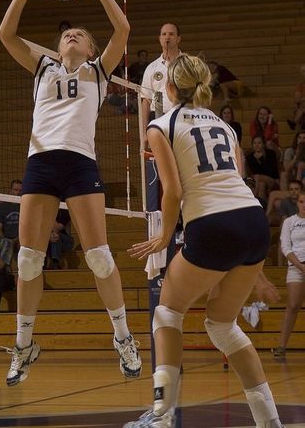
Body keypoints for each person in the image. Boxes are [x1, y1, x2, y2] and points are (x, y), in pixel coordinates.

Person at [0, 0, 142, 387]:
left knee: (99, 255)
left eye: (80, 35)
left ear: (91, 47)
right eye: (66, 35)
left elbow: (124, 28)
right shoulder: (43, 68)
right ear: (58, 47)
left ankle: (123, 337)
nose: (72, 36)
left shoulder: (98, 72)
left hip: (80, 163)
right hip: (41, 163)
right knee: (27, 259)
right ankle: (24, 345)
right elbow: (5, 35)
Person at [123, 54, 284, 428]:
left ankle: (162, 418)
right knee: (222, 326)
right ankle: (269, 421)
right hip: (253, 222)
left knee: (167, 313)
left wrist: (164, 237)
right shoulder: (225, 127)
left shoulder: (160, 125)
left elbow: (173, 191)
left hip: (213, 224)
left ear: (168, 87)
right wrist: (255, 269)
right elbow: (234, 182)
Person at [272, 188, 305, 359]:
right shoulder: (289, 222)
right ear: (297, 203)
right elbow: (285, 246)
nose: (304, 205)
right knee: (292, 306)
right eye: (301, 201)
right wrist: (300, 266)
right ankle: (282, 346)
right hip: (296, 266)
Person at [140, 23, 182, 140]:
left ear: (178, 39)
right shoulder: (152, 67)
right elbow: (146, 100)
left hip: (182, 116)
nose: (167, 37)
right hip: (158, 117)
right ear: (160, 39)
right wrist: (144, 132)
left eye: (171, 34)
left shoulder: (187, 63)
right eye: (164, 34)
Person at [245, 136, 280, 203]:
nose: (257, 145)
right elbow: (254, 172)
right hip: (259, 181)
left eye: (259, 143)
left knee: (257, 176)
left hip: (272, 180)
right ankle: (263, 206)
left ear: (263, 144)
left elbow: (271, 171)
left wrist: (261, 159)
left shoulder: (271, 154)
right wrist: (257, 160)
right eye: (254, 143)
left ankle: (253, 197)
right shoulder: (250, 157)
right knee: (262, 185)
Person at [0, 179, 22, 251]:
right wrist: (6, 241)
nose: (18, 193)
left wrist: (16, 240)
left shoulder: (26, 206)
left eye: (20, 190)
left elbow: (28, 227)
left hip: (21, 238)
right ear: (10, 191)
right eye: (15, 190)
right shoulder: (1, 207)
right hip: (6, 238)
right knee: (4, 244)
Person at [287, 63, 305, 131]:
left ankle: (294, 122)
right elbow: (297, 100)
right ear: (301, 73)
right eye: (303, 71)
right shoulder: (300, 86)